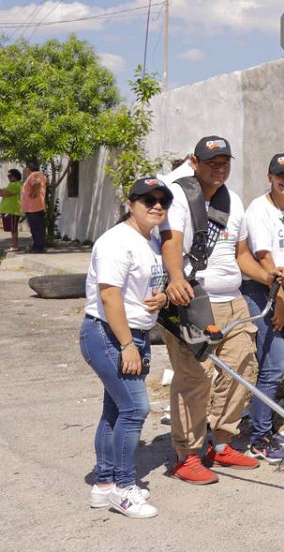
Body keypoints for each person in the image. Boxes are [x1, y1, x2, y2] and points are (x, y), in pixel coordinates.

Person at [161, 136, 277, 484]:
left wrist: (267, 275)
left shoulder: (233, 201)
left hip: (234, 300)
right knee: (195, 379)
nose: (220, 167)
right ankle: (187, 454)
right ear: (194, 163)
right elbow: (172, 242)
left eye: (225, 161)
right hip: (195, 301)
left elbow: (242, 256)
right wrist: (176, 278)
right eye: (212, 162)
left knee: (242, 367)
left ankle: (222, 443)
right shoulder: (180, 195)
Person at [82, 177, 170, 518]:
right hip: (108, 334)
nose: (157, 205)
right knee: (136, 408)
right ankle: (123, 487)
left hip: (132, 334)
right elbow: (108, 295)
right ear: (130, 203)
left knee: (116, 410)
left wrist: (162, 296)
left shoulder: (148, 242)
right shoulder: (117, 241)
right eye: (148, 199)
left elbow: (146, 287)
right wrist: (126, 346)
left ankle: (103, 485)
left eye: (163, 200)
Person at [239, 153, 284, 463]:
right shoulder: (258, 208)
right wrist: (277, 297)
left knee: (273, 365)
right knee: (273, 364)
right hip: (264, 289)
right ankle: (260, 440)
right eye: (281, 173)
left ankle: (260, 422)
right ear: (269, 176)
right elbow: (264, 256)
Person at [21, 162, 47, 253]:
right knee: (36, 228)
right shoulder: (39, 175)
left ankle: (38, 248)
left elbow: (37, 184)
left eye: (26, 168)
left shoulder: (34, 175)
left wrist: (33, 194)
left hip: (34, 207)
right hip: (35, 207)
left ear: (28, 168)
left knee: (36, 228)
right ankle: (37, 246)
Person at [1, 169, 23, 252]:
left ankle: (15, 246)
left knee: (13, 229)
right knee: (11, 229)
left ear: (16, 176)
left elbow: (4, 193)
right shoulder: (11, 184)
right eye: (8, 176)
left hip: (13, 211)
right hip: (8, 211)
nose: (8, 177)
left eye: (10, 176)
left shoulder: (17, 184)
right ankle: (14, 245)